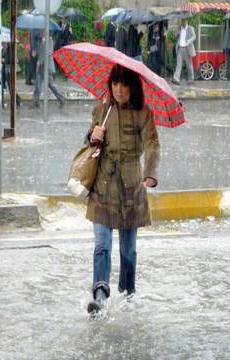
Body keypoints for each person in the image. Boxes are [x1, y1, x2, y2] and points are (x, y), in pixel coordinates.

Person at [85, 64, 160, 315]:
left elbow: (152, 145)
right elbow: (89, 144)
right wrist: (92, 135)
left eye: (123, 84)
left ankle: (127, 294)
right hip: (103, 186)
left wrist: (150, 174)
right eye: (114, 83)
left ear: (132, 87)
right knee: (102, 245)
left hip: (131, 187)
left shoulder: (143, 113)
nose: (118, 89)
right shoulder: (101, 110)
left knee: (128, 250)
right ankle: (100, 294)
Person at [31, 31, 66, 108]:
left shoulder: (49, 40)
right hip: (40, 67)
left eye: (41, 31)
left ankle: (62, 99)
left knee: (51, 85)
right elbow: (38, 52)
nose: (39, 33)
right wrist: (34, 52)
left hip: (47, 67)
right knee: (37, 85)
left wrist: (40, 61)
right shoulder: (38, 41)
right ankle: (35, 102)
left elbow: (49, 52)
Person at [173, 18, 196, 85]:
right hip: (180, 48)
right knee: (178, 64)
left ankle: (191, 79)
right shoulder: (179, 28)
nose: (182, 22)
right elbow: (175, 36)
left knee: (189, 65)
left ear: (186, 21)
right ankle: (176, 78)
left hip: (187, 48)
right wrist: (177, 32)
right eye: (181, 21)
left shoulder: (190, 28)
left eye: (183, 21)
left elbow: (194, 36)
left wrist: (189, 41)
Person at [1, 41, 20, 108]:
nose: (3, 45)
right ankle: (2, 103)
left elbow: (12, 60)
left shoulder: (11, 51)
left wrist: (4, 60)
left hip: (10, 71)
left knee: (11, 88)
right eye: (2, 43)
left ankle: (17, 101)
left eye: (4, 43)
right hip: (3, 72)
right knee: (1, 88)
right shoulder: (2, 50)